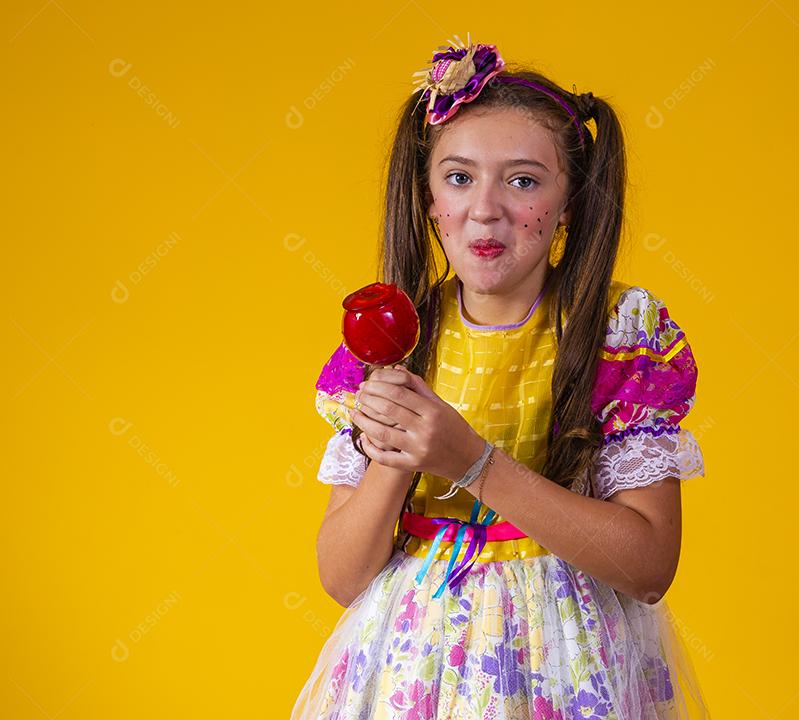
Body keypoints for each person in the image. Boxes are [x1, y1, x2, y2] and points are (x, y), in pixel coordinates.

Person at [293, 34, 710, 719]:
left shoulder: (617, 333)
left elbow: (648, 567)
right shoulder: (394, 342)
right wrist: (401, 446)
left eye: (523, 180)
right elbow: (342, 578)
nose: (485, 208)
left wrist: (473, 461)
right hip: (410, 669)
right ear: (428, 198)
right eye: (459, 177)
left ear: (570, 201)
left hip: (568, 667)